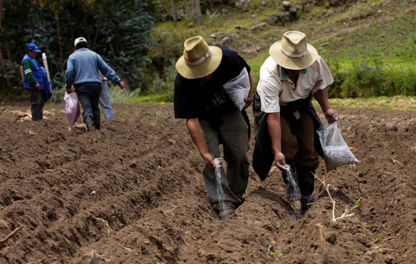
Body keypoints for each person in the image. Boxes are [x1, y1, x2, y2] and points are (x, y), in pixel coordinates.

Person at [253, 31, 339, 211]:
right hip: (276, 108)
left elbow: (319, 85)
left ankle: (307, 194)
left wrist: (327, 109)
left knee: (308, 145)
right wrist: (277, 151)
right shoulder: (269, 72)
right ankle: (292, 187)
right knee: (286, 144)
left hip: (301, 103)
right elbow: (274, 117)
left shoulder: (315, 63)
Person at [174, 36, 254, 219]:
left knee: (240, 154)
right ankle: (222, 201)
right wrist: (204, 152)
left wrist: (249, 94)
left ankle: (235, 196)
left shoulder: (229, 58)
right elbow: (192, 120)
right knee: (213, 159)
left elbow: (246, 72)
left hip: (230, 111)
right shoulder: (182, 81)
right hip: (203, 117)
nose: (203, 76)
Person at [65, 37, 124, 131]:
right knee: (95, 107)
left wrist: (68, 86)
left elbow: (69, 71)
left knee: (87, 108)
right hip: (96, 85)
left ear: (75, 47)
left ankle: (90, 131)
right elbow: (106, 69)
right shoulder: (95, 55)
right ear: (87, 45)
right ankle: (98, 129)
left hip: (82, 86)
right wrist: (118, 81)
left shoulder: (73, 57)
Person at [21, 43, 50, 121]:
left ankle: (39, 118)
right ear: (29, 51)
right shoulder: (27, 60)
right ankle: (36, 119)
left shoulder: (33, 60)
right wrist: (35, 82)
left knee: (40, 102)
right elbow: (28, 74)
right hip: (33, 85)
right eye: (34, 52)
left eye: (36, 52)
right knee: (36, 102)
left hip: (39, 84)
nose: (35, 54)